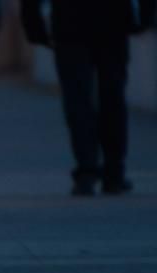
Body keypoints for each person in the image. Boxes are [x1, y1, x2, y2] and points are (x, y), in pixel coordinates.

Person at [22, 0, 157, 196]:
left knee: (78, 100)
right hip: (112, 21)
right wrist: (145, 16)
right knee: (112, 97)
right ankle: (113, 172)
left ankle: (87, 170)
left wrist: (33, 24)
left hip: (70, 23)